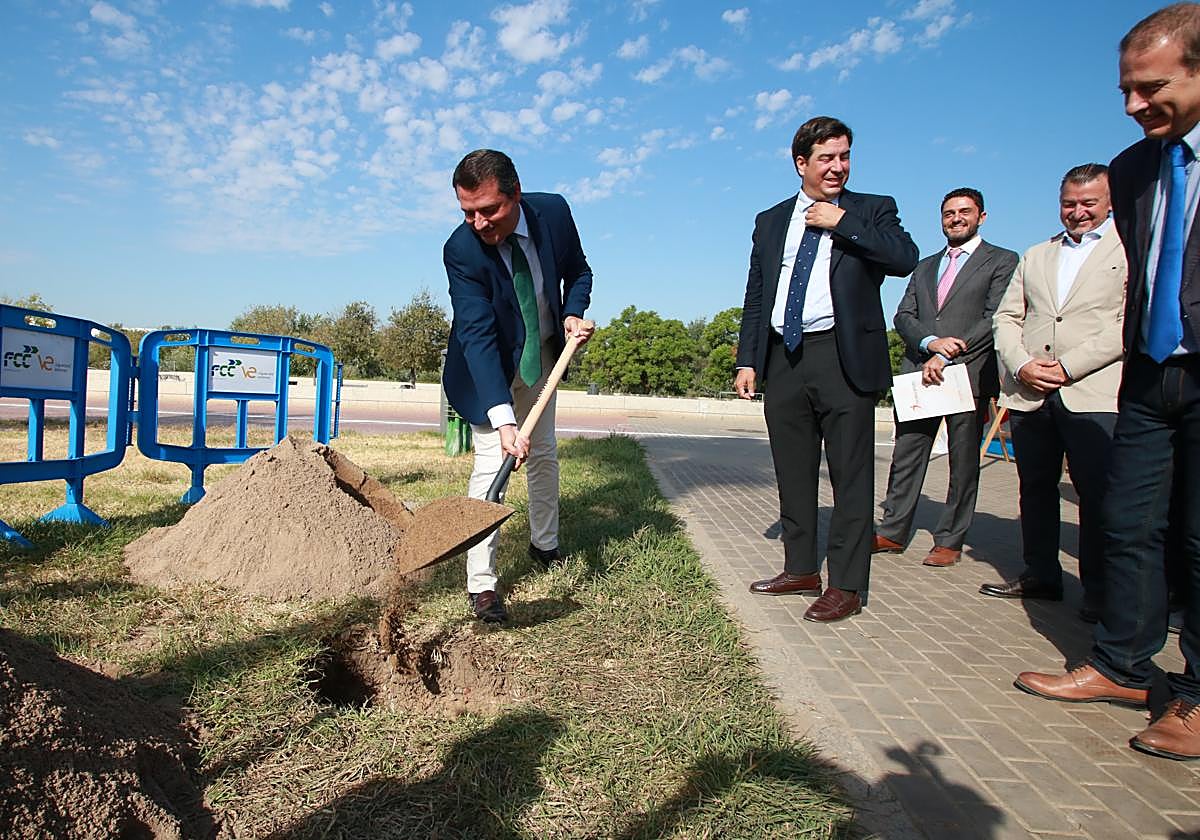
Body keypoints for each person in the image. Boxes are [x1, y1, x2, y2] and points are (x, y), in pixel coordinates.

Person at [1016, 4, 1200, 761]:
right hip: (1151, 377)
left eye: (1150, 87)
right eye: (1125, 90)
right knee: (1125, 523)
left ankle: (1193, 699)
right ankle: (1122, 664)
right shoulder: (1134, 168)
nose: (1132, 106)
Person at [736, 116, 919, 622]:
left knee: (850, 476)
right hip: (784, 356)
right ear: (801, 163)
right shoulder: (770, 220)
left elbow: (905, 258)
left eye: (844, 156)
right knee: (792, 470)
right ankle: (800, 568)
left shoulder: (871, 209)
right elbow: (757, 295)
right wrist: (748, 359)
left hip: (843, 356)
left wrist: (843, 223)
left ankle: (847, 585)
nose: (837, 166)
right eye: (826, 158)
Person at [442, 149, 594, 623]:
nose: (479, 222)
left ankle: (545, 544)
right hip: (488, 367)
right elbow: (477, 335)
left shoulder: (554, 212)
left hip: (545, 354)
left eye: (489, 209)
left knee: (543, 452)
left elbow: (580, 271)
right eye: (468, 211)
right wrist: (503, 417)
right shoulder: (461, 250)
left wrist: (573, 310)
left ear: (517, 195)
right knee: (494, 462)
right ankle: (481, 584)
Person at [982, 165, 1127, 622]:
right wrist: (1022, 362)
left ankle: (1101, 593)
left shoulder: (1130, 251)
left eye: (1089, 203)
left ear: (1109, 203)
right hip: (1031, 392)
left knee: (1096, 495)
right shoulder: (1037, 253)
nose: (1078, 212)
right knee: (1035, 488)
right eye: (1070, 203)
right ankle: (1040, 573)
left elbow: (1127, 322)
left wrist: (1068, 367)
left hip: (1092, 392)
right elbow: (1007, 317)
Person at [872, 188, 1018, 567]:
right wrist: (930, 343)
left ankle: (950, 539)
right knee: (907, 455)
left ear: (981, 216)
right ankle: (892, 531)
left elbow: (995, 317)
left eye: (964, 212)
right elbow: (904, 315)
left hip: (966, 375)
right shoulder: (925, 265)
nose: (956, 219)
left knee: (962, 460)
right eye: (949, 213)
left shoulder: (1001, 260)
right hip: (920, 373)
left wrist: (950, 351)